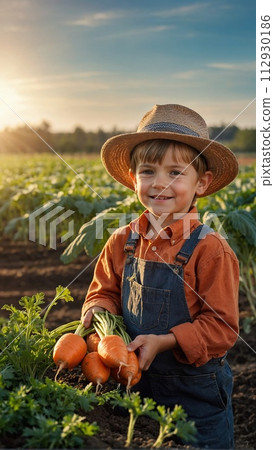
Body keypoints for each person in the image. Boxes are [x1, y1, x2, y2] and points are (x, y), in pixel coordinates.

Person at [81, 104, 239, 449]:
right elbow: (103, 291)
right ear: (133, 178)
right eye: (148, 171)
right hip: (132, 384)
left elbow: (222, 327)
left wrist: (165, 341)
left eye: (176, 173)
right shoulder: (122, 240)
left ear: (202, 183)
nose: (160, 184)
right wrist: (96, 310)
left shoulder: (210, 249)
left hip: (193, 394)